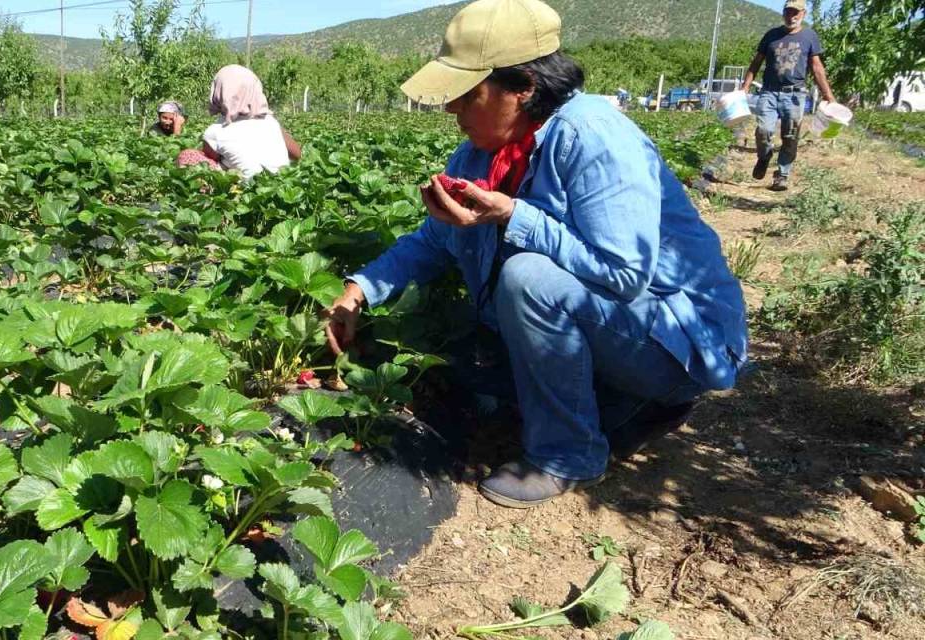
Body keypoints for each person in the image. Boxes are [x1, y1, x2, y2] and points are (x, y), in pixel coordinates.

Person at [324, 0, 748, 509]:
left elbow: (625, 273)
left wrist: (513, 216)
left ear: (523, 86)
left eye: (467, 95)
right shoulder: (484, 151)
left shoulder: (592, 136)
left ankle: (569, 454)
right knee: (467, 369)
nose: (451, 110)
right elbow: (434, 239)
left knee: (528, 278)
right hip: (619, 329)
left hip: (679, 342)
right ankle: (624, 405)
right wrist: (358, 293)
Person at [741, 0, 836, 191]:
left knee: (790, 135)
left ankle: (782, 174)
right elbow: (756, 62)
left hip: (795, 94)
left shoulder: (809, 36)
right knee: (763, 129)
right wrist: (744, 87)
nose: (792, 16)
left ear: (803, 14)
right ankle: (764, 156)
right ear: (783, 13)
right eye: (788, 12)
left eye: (796, 12)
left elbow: (817, 67)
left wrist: (828, 95)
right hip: (769, 91)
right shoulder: (771, 35)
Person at [200, 65, 303, 178]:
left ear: (218, 92)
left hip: (246, 189)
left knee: (190, 157)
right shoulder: (270, 121)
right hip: (281, 183)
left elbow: (211, 160)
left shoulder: (214, 132)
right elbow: (296, 154)